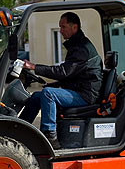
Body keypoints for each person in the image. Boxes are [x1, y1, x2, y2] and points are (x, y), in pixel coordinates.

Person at [19, 12, 103, 149]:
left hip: (86, 95)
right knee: (37, 96)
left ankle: (50, 136)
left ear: (74, 27)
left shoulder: (82, 49)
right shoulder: (76, 45)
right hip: (79, 89)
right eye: (60, 27)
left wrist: (34, 67)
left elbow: (64, 72)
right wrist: (54, 84)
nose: (61, 31)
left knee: (48, 93)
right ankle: (19, 129)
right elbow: (72, 74)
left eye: (63, 27)